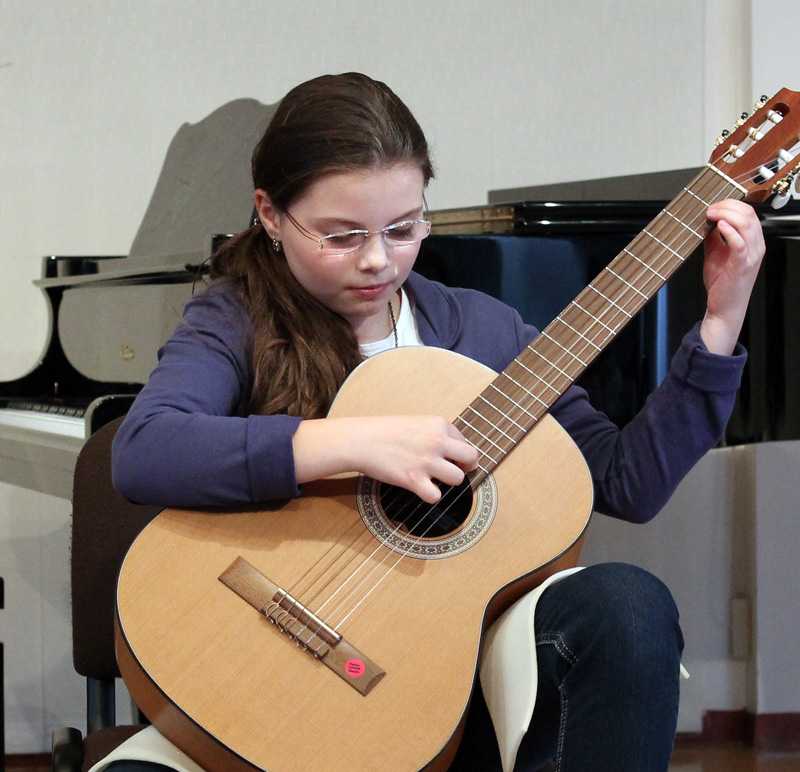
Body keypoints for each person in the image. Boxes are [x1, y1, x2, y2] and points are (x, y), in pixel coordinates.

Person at [104, 72, 765, 772]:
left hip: (435, 682)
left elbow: (626, 481)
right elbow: (144, 449)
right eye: (340, 234)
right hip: (257, 646)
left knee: (628, 604)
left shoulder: (479, 331)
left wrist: (720, 321)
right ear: (269, 213)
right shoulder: (232, 318)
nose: (376, 259)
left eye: (403, 228)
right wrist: (354, 442)